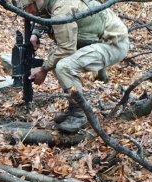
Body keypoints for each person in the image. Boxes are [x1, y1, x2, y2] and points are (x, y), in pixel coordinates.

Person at [12, 0, 129, 132]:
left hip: (113, 43)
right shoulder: (49, 3)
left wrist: (43, 68)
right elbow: (44, 14)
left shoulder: (62, 9)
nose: (26, 12)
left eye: (27, 8)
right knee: (57, 63)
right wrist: (36, 33)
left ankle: (81, 114)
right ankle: (74, 108)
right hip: (99, 39)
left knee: (63, 66)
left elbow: (66, 49)